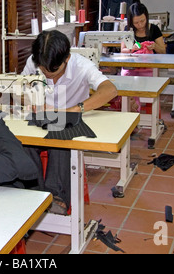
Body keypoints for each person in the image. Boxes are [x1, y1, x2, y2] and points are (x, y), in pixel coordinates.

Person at [21, 30, 117, 214]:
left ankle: (56, 197)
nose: (48, 77)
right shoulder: (33, 62)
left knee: (60, 139)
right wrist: (30, 101)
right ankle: (34, 194)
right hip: (40, 119)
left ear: (67, 59)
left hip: (69, 122)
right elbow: (22, 86)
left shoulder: (82, 66)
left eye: (53, 72)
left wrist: (74, 109)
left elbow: (110, 90)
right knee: (23, 142)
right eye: (43, 71)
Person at [120, 2, 166, 112]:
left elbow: (163, 51)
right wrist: (133, 49)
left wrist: (155, 47)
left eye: (142, 21)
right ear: (131, 21)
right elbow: (122, 50)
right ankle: (132, 109)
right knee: (124, 80)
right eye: (136, 22)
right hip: (132, 67)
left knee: (149, 84)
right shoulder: (128, 30)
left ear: (147, 17)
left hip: (148, 68)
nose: (140, 25)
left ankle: (142, 110)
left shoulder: (154, 29)